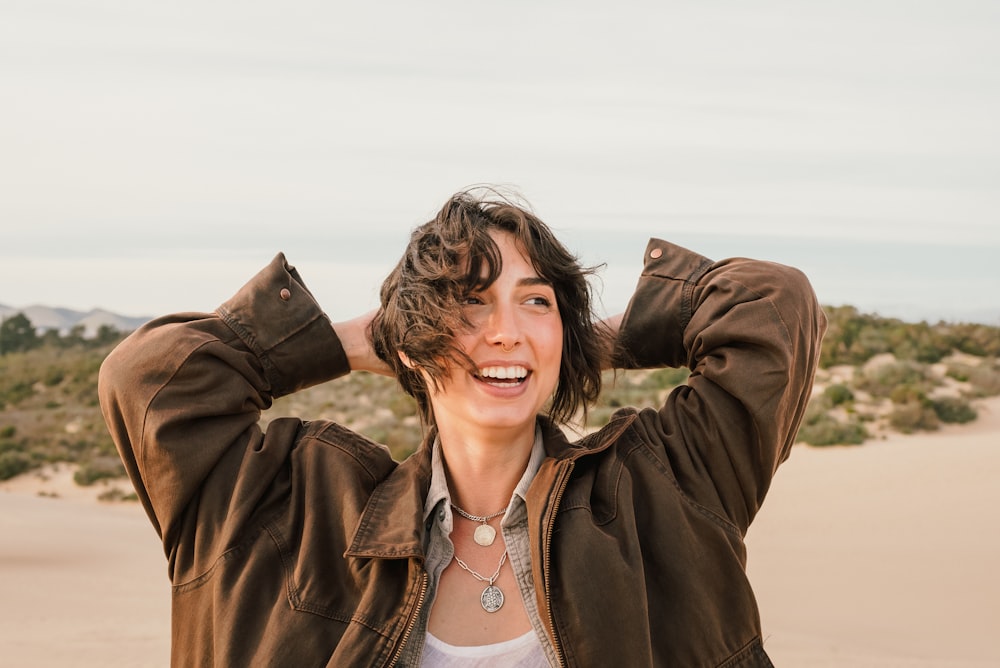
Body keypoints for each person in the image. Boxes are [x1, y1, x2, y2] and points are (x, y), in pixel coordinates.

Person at [99, 188, 826, 667]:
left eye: (535, 302)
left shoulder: (664, 490)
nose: (506, 331)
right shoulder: (287, 513)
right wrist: (366, 342)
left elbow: (774, 303)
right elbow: (149, 379)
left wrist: (570, 341)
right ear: (411, 339)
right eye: (471, 304)